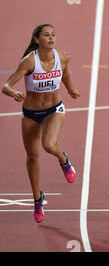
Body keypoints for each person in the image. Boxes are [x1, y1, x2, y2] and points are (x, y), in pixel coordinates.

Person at [2, 24, 80, 223]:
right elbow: (6, 86)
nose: (52, 38)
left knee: (49, 145)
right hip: (30, 114)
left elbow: (66, 74)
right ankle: (38, 199)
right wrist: (13, 92)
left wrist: (70, 89)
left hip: (54, 110)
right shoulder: (29, 62)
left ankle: (63, 159)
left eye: (54, 34)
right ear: (37, 39)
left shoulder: (62, 57)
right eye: (47, 35)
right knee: (33, 157)